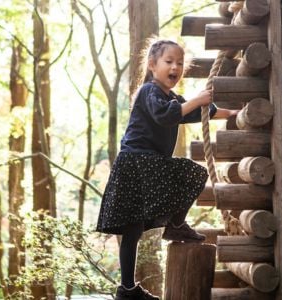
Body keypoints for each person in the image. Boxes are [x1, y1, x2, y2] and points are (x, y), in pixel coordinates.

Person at [96, 39, 238, 300]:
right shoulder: (150, 92)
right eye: (169, 61)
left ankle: (170, 230)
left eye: (180, 63)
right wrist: (196, 99)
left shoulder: (171, 97)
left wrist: (232, 113)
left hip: (146, 164)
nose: (176, 67)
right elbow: (168, 116)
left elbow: (199, 112)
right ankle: (129, 285)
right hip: (136, 162)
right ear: (152, 65)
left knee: (137, 224)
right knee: (135, 225)